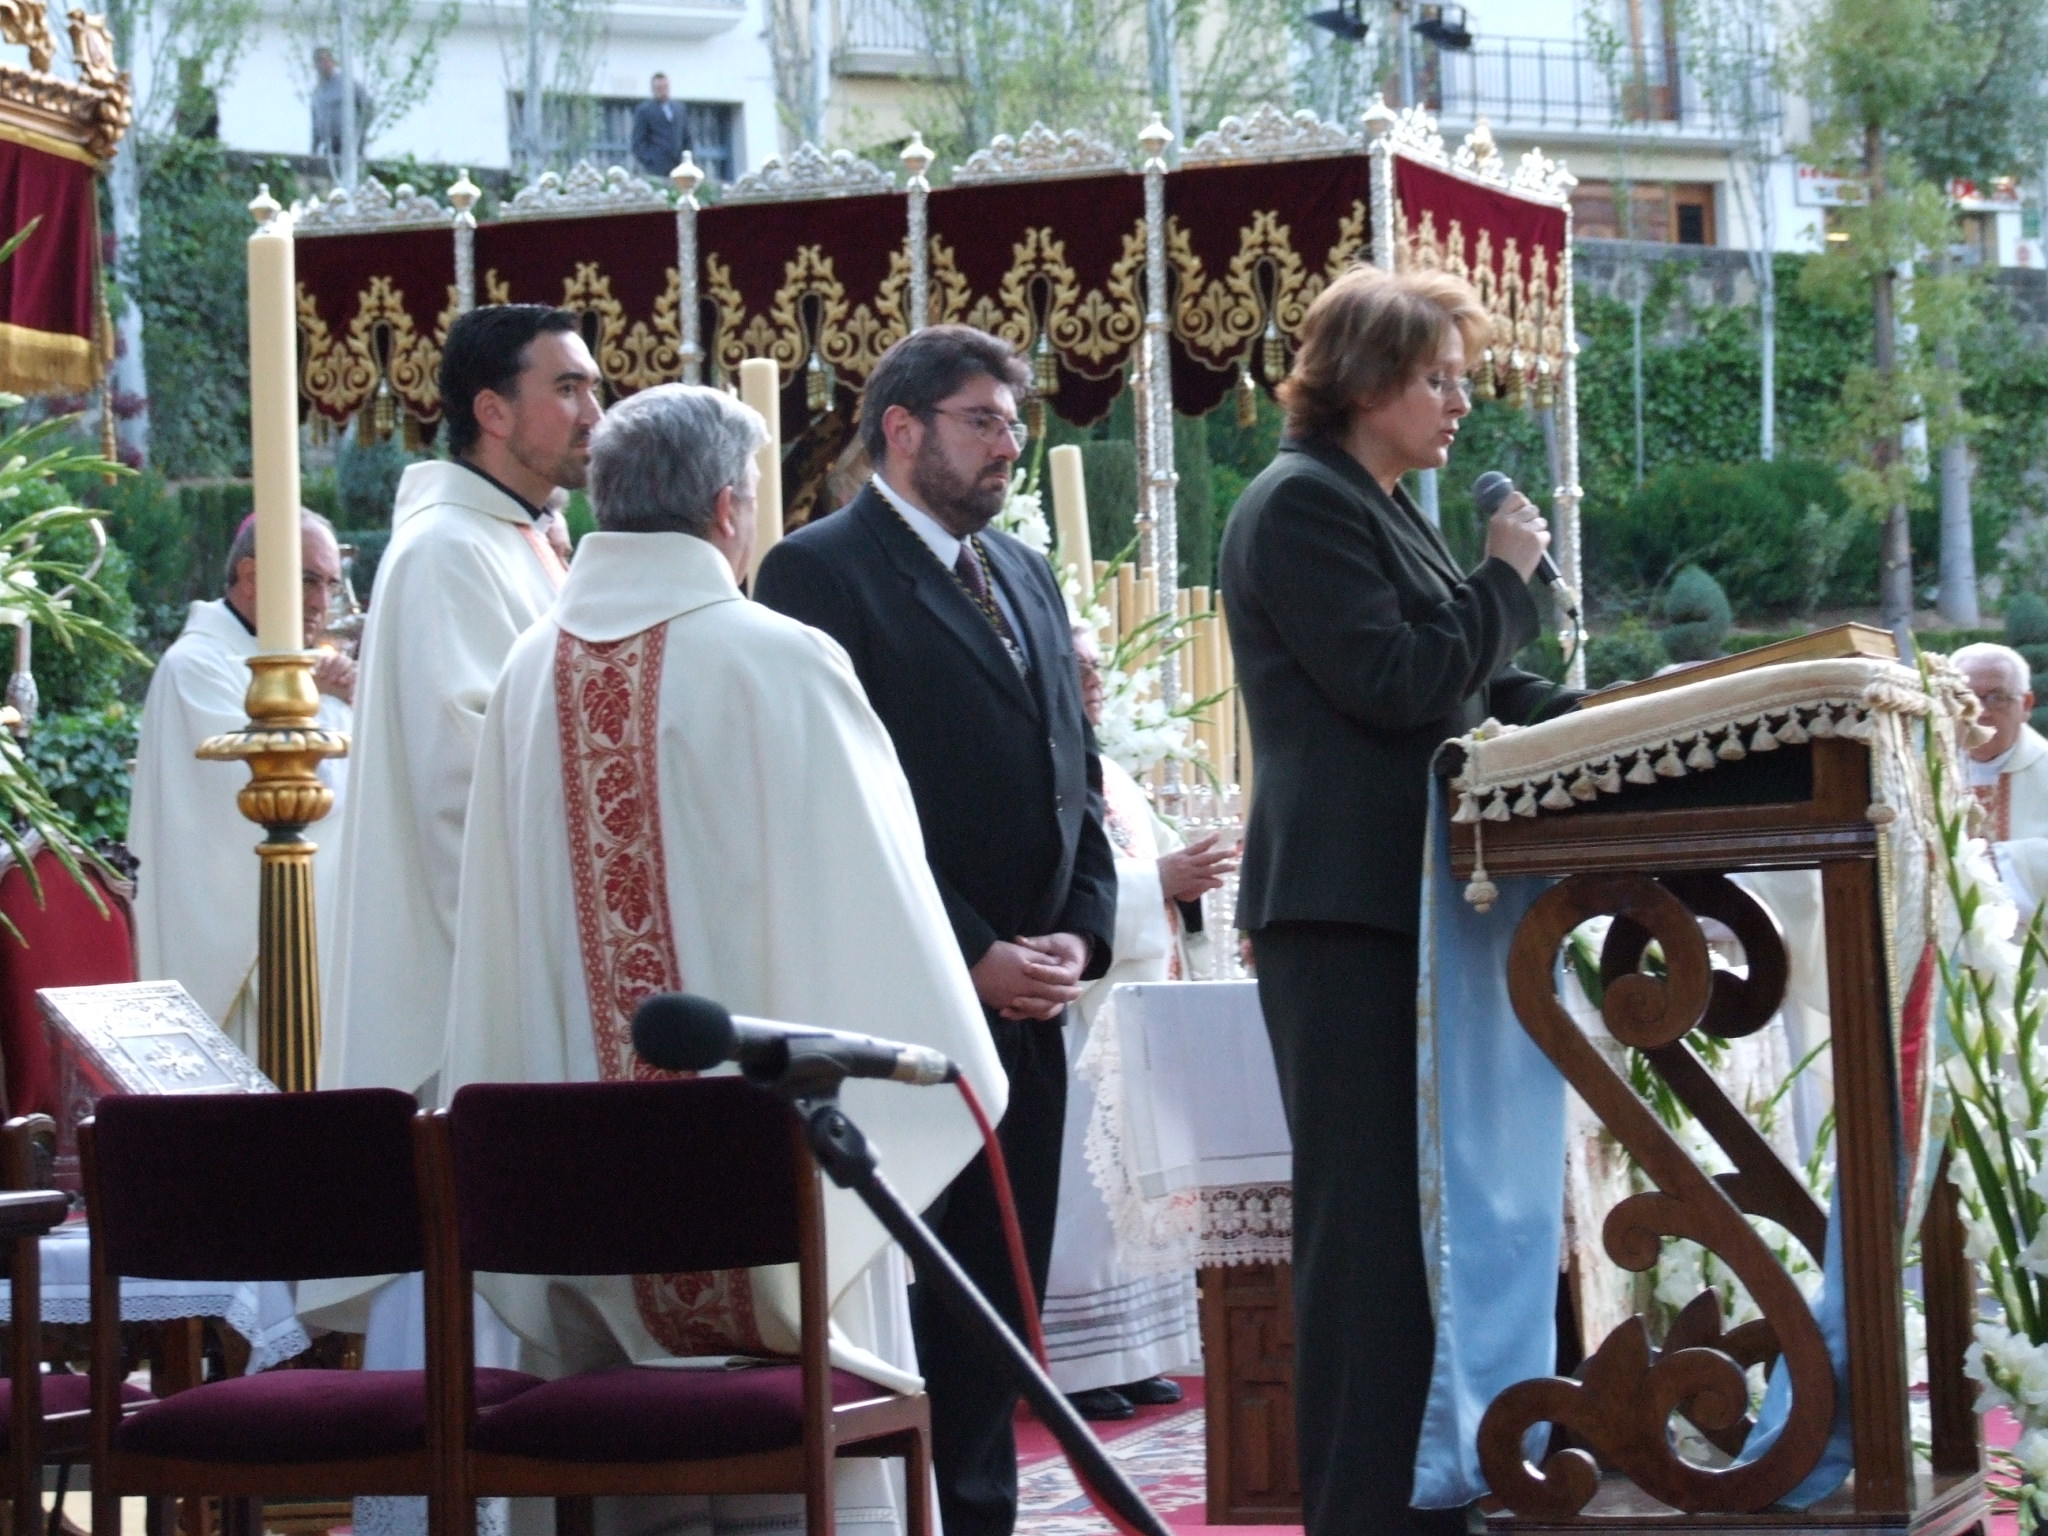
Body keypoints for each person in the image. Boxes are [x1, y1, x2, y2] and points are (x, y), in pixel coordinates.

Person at [443, 383, 1004, 1536]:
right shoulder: (778, 662)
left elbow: (495, 956)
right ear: (724, 506)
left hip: (583, 1239)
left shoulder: (523, 676)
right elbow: (884, 935)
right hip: (780, 1238)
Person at [1217, 264, 1567, 1536]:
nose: (1459, 402)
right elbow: (1394, 679)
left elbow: (1475, 691)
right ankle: (1364, 1508)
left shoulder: (1378, 505)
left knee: (1434, 1227)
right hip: (1349, 913)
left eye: (1462, 379)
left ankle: (1447, 1483)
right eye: (1439, 378)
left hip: (1420, 910)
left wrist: (1636, 721)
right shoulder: (1300, 506)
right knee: (1367, 1239)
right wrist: (1505, 578)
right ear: (1364, 381)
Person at [754, 324, 1117, 1536]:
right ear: (899, 429)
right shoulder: (816, 572)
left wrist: (1081, 930)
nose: (1009, 443)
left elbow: (1074, 761)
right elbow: (842, 800)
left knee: (999, 1308)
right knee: (929, 1288)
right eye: (982, 419)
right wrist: (971, 951)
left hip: (1032, 993)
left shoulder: (1020, 569)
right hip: (910, 994)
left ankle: (985, 1518)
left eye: (1016, 422)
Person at [323, 304, 598, 1103]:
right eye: (569, 389)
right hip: (476, 966)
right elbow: (464, 775)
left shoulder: (514, 538)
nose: (594, 414)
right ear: (492, 411)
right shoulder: (446, 549)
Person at [1044, 623, 1233, 1420]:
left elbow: (1164, 879)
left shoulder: (1114, 774)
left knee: (1141, 1199)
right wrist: (1158, 877)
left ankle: (1137, 1353)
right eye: (1078, 666)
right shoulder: (1047, 768)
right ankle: (1080, 1367)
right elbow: (1057, 884)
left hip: (1140, 1020)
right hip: (1081, 1020)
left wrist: (1187, 878)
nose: (1093, 680)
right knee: (1086, 1201)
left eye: (1097, 666)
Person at [129, 510, 353, 1056]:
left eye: (329, 582)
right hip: (241, 954)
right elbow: (289, 799)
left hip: (316, 941)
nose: (321, 601)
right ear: (251, 577)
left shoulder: (298, 668)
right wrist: (335, 705)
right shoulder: (198, 667)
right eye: (306, 579)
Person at [1956, 642, 2048, 914]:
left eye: (1996, 697)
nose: (1981, 711)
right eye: (1966, 698)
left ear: (2026, 705)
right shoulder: (1927, 773)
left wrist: (1998, 861)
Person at [309, 46, 372, 161]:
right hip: (330, 146)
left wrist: (360, 132)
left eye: (325, 60)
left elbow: (367, 105)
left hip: (350, 144)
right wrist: (314, 150)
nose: (323, 64)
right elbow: (315, 123)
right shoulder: (317, 92)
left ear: (333, 62)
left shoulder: (347, 84)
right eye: (319, 61)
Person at [630, 73, 690, 178]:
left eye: (665, 87)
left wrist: (688, 158)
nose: (663, 91)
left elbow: (686, 136)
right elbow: (638, 141)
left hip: (679, 167)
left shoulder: (679, 109)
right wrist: (650, 159)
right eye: (659, 88)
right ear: (653, 90)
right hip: (656, 168)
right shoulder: (644, 110)